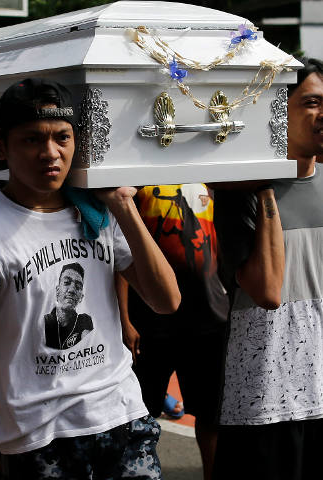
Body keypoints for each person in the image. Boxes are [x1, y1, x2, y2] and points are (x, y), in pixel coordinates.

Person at [0, 78, 180, 480]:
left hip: (123, 417)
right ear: (1, 149)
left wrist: (123, 206)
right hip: (39, 439)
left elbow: (166, 300)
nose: (51, 153)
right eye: (32, 140)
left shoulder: (98, 213)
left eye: (62, 138)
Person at [211, 57, 323, 480]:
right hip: (267, 393)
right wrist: (266, 184)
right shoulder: (242, 194)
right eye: (311, 102)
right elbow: (268, 291)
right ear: (277, 110)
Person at [117, 183, 228, 480]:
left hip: (208, 319)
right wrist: (124, 319)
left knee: (211, 416)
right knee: (137, 417)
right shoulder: (139, 181)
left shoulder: (213, 176)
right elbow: (123, 253)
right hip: (149, 324)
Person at [44, 263, 94, 350]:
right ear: (57, 290)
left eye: (78, 287)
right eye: (67, 283)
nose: (72, 290)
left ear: (81, 297)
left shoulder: (84, 321)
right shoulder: (44, 322)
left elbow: (88, 347)